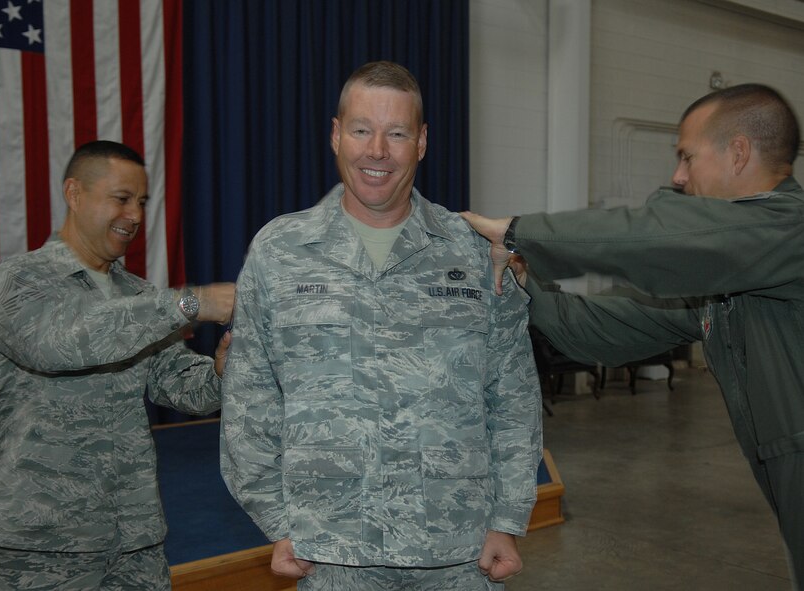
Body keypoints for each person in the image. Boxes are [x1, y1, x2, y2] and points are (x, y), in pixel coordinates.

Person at [461, 83, 804, 588]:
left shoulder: (791, 231)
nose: (678, 176)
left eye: (687, 157)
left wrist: (518, 232)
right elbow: (598, 331)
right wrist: (522, 278)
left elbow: (664, 236)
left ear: (738, 153)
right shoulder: (723, 284)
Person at [220, 61, 542, 590]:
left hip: (457, 550)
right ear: (335, 135)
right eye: (361, 130)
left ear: (421, 142)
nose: (377, 151)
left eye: (396, 134)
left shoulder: (473, 251)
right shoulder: (280, 250)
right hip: (330, 549)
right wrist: (275, 519)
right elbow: (250, 394)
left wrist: (506, 518)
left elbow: (513, 394)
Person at [0, 140, 235, 590]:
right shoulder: (14, 281)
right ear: (74, 193)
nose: (133, 215)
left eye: (142, 202)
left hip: (134, 544)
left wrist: (221, 371)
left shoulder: (138, 295)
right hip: (37, 550)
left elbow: (180, 386)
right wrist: (191, 302)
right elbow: (57, 344)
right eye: (121, 198)